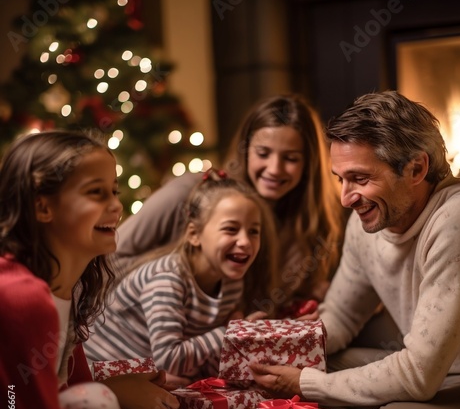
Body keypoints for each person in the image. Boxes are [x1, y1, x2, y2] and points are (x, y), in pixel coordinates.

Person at [250, 90, 460, 409]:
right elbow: (342, 316)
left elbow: (418, 374)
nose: (346, 198)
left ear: (416, 169)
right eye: (340, 179)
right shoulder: (368, 221)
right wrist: (277, 341)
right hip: (428, 371)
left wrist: (305, 382)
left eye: (360, 179)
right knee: (310, 364)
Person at [0, 130, 186, 409]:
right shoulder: (20, 297)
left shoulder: (71, 289)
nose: (116, 205)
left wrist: (130, 384)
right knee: (96, 406)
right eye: (96, 192)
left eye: (114, 191)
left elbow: (67, 390)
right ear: (43, 207)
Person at [114, 94, 346, 315]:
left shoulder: (310, 225)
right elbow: (110, 257)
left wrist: (308, 305)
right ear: (245, 151)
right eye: (263, 153)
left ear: (309, 164)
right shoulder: (187, 192)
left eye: (291, 158)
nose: (275, 169)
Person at [84, 169, 279, 381]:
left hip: (155, 370)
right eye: (231, 229)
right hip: (106, 373)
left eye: (254, 232)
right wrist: (231, 332)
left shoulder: (232, 283)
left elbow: (205, 353)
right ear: (194, 235)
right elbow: (169, 360)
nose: (245, 241)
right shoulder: (166, 280)